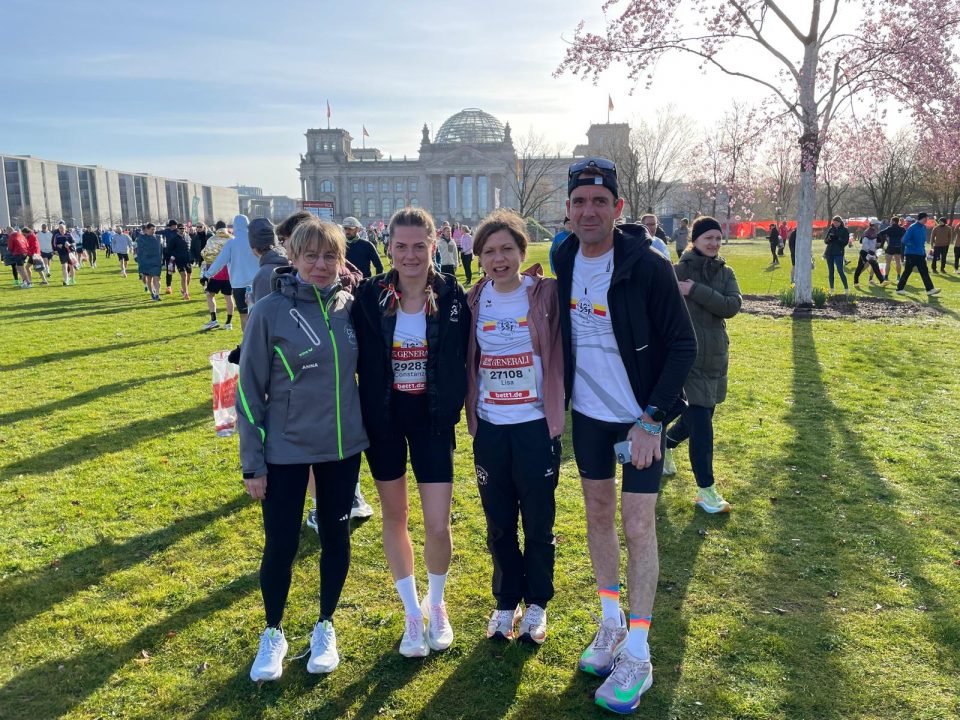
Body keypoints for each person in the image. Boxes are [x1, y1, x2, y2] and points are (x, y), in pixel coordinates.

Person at [554, 158, 696, 714]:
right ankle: (610, 622)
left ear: (617, 207)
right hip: (588, 416)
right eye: (579, 202)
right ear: (568, 211)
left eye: (599, 202)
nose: (589, 211)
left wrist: (652, 419)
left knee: (638, 527)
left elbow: (683, 346)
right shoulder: (564, 255)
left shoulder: (649, 265)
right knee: (596, 516)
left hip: (640, 417)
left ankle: (638, 651)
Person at [238, 216, 369, 682]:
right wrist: (252, 463)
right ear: (292, 258)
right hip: (285, 451)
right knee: (282, 543)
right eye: (310, 255)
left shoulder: (351, 307)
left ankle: (324, 625)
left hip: (341, 448)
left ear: (341, 259)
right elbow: (248, 391)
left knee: (336, 538)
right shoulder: (268, 311)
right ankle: (273, 631)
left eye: (329, 255)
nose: (320, 264)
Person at [352, 207, 469, 658]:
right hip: (383, 420)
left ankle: (436, 604)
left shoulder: (453, 294)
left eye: (419, 245)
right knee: (395, 517)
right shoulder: (369, 295)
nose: (410, 255)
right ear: (389, 247)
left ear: (434, 242)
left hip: (433, 420)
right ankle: (411, 613)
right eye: (400, 246)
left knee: (438, 524)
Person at [465, 210, 564, 645]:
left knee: (539, 521)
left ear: (523, 253)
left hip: (535, 427)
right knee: (499, 523)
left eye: (507, 249)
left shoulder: (545, 295)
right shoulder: (472, 299)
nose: (499, 258)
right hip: (491, 428)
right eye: (489, 251)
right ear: (480, 258)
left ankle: (538, 603)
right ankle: (506, 603)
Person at [662, 216, 740, 514]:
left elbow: (732, 306)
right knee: (702, 424)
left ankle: (667, 442)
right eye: (709, 238)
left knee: (698, 418)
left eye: (718, 239)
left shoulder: (726, 272)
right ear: (694, 240)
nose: (714, 243)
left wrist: (695, 291)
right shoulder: (676, 271)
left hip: (716, 356)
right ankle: (706, 490)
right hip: (687, 359)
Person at [203, 215, 258, 329]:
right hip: (256, 283)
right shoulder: (256, 241)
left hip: (239, 284)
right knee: (258, 315)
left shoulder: (232, 243)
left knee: (244, 316)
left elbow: (219, 262)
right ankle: (259, 343)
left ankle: (247, 344)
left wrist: (207, 275)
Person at [200, 222, 236, 331]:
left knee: (209, 295)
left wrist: (205, 273)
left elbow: (205, 254)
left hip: (216, 272)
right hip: (229, 272)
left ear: (216, 228)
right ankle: (228, 323)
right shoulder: (232, 238)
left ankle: (214, 319)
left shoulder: (212, 239)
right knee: (228, 297)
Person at [896, 213, 940, 296]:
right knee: (907, 271)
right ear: (921, 218)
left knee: (924, 271)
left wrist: (923, 251)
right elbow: (904, 240)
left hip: (920, 253)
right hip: (911, 254)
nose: (927, 220)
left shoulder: (923, 227)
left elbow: (922, 241)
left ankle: (930, 289)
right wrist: (912, 245)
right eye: (926, 219)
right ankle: (899, 289)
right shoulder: (912, 227)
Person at [852, 219, 887, 287]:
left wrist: (876, 247)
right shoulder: (867, 232)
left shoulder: (874, 232)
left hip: (871, 252)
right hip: (865, 252)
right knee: (860, 267)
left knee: (875, 266)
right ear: (874, 225)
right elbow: (864, 242)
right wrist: (869, 250)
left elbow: (873, 243)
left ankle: (882, 282)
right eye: (878, 224)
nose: (879, 226)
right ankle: (856, 282)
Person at [162, 221, 192, 299]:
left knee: (189, 275)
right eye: (180, 228)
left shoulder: (187, 237)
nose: (182, 230)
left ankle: (183, 289)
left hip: (187, 259)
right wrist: (174, 256)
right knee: (184, 275)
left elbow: (190, 248)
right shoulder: (174, 239)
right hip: (179, 260)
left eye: (183, 228)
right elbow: (169, 250)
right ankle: (186, 293)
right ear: (177, 229)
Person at [136, 223, 163, 300]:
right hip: (146, 262)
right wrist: (139, 260)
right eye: (152, 229)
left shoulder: (158, 238)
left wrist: (162, 259)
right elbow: (139, 250)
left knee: (156, 278)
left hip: (156, 262)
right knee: (149, 279)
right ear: (147, 229)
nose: (153, 231)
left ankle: (157, 295)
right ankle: (152, 293)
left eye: (154, 229)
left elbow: (161, 249)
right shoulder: (141, 238)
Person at [823, 216, 850, 294]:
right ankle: (831, 289)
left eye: (837, 222)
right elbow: (825, 241)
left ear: (840, 222)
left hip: (838, 253)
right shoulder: (831, 229)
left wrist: (837, 239)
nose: (835, 224)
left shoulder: (844, 230)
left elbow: (845, 242)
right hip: (829, 253)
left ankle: (846, 289)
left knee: (840, 271)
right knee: (831, 272)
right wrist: (830, 239)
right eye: (834, 222)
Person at [879, 215, 905, 282]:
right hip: (898, 247)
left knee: (888, 263)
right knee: (898, 262)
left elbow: (880, 233)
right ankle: (898, 276)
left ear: (893, 221)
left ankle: (886, 277)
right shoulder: (902, 229)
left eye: (891, 221)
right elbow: (906, 235)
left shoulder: (889, 228)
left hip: (890, 247)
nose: (890, 222)